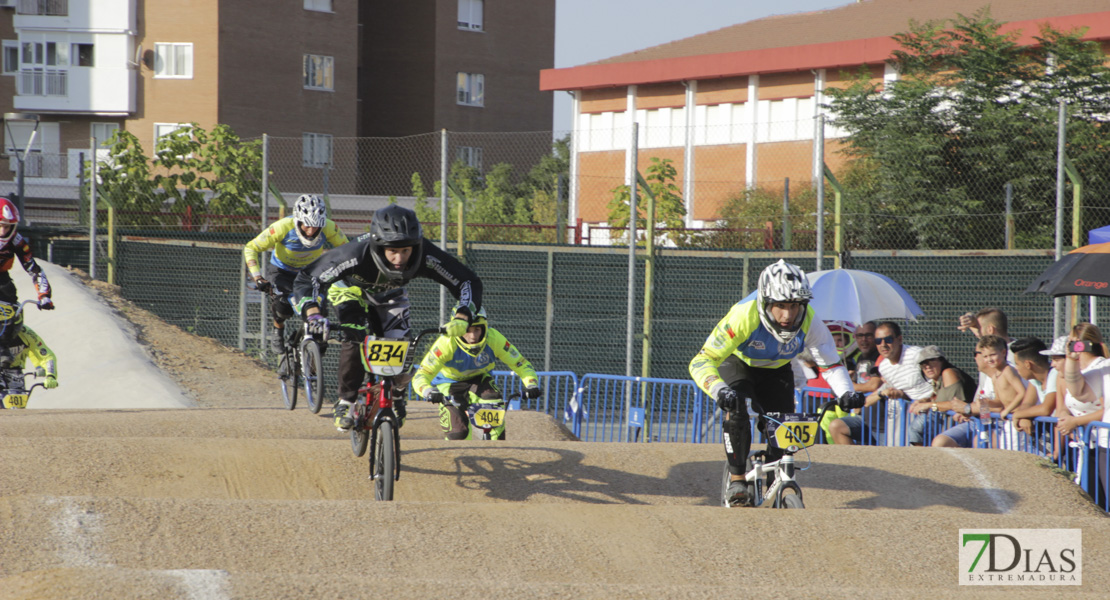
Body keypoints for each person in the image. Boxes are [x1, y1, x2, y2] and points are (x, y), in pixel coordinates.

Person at [688, 259, 864, 507]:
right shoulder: (743, 316)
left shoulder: (810, 321)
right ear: (765, 303)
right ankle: (738, 479)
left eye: (794, 306)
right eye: (780, 306)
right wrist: (720, 390)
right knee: (736, 409)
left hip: (778, 370)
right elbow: (701, 360)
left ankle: (776, 477)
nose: (788, 315)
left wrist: (847, 392)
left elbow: (831, 364)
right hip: (739, 364)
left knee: (784, 426)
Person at [293, 205, 483, 432]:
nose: (399, 258)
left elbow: (467, 281)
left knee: (401, 351)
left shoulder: (425, 254)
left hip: (390, 296)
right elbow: (308, 279)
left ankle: (398, 394)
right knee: (354, 338)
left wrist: (463, 314)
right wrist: (313, 314)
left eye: (406, 250)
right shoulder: (354, 253)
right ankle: (347, 401)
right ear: (377, 245)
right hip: (349, 292)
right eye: (391, 251)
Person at [411, 308, 542, 440]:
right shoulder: (446, 343)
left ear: (484, 328)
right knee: (458, 434)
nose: (473, 336)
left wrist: (531, 384)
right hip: (448, 383)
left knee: (493, 402)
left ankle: (498, 450)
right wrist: (429, 392)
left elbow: (520, 363)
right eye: (467, 330)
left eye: (477, 330)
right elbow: (421, 375)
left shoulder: (494, 338)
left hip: (480, 380)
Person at [244, 194, 350, 355]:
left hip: (310, 272)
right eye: (307, 225)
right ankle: (278, 329)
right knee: (283, 307)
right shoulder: (283, 227)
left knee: (318, 313)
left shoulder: (329, 227)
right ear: (298, 220)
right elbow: (251, 248)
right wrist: (257, 277)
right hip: (282, 271)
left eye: (316, 226)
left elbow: (348, 251)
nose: (311, 231)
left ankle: (314, 369)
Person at [828, 321, 934, 446]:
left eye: (888, 339)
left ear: (899, 339)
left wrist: (930, 400)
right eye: (878, 341)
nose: (883, 345)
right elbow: (885, 390)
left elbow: (940, 376)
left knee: (911, 442)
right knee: (836, 426)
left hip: (922, 416)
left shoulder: (916, 354)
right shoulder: (883, 365)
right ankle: (853, 465)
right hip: (881, 421)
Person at [931, 335, 1026, 449]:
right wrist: (984, 403)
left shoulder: (1008, 370)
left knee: (1014, 453)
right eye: (985, 356)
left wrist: (1007, 411)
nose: (989, 359)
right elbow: (999, 401)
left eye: (992, 355)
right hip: (1005, 421)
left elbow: (1022, 393)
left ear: (1003, 352)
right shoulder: (995, 375)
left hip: (1014, 418)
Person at [1055, 322, 1109, 501]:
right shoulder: (1105, 368)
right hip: (1097, 444)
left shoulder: (1100, 364)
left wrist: (1075, 422)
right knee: (1097, 502)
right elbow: (1080, 392)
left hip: (1096, 440)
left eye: (1077, 342)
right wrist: (1071, 359)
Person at [908, 345, 977, 437]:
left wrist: (928, 405)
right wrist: (927, 400)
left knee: (918, 426)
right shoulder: (937, 380)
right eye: (923, 363)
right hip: (952, 429)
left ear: (942, 360)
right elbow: (943, 400)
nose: (927, 366)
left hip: (967, 428)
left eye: (931, 360)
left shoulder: (948, 373)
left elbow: (956, 404)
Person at [0, 197, 53, 312]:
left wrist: (44, 296)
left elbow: (34, 269)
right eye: (0, 226)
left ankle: (13, 327)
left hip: (2, 278)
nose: (3, 231)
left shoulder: (17, 241)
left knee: (10, 298)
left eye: (6, 226)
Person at [0, 311, 58, 408]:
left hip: (15, 373)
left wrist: (50, 375)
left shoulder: (26, 333)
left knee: (17, 408)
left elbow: (46, 355)